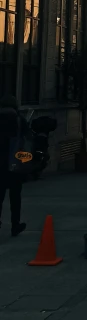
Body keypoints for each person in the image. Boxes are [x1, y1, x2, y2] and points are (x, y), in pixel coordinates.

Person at [0, 95, 27, 236]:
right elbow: (27, 139)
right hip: (14, 164)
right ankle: (15, 226)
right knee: (15, 197)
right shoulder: (19, 120)